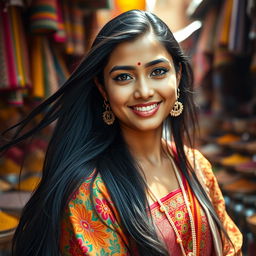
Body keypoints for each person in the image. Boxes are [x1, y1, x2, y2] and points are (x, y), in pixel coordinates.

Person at [0, 9, 242, 256]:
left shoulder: (196, 166)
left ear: (178, 75)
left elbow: (230, 246)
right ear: (103, 89)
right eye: (124, 77)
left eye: (158, 71)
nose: (144, 91)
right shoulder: (91, 192)